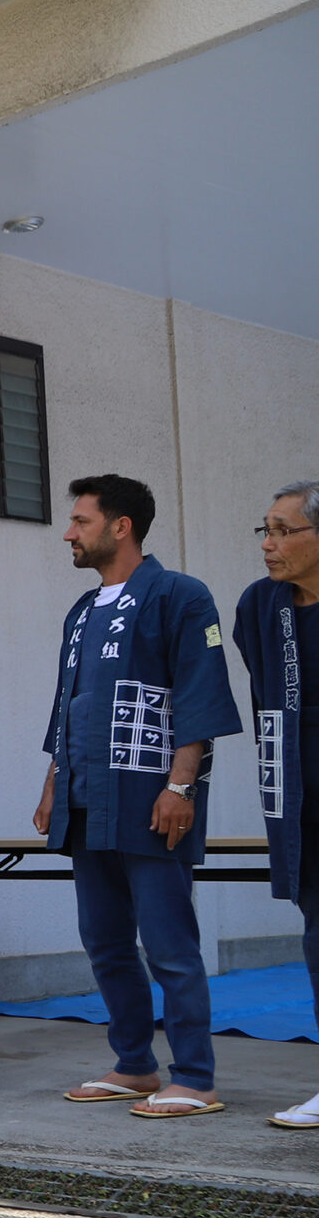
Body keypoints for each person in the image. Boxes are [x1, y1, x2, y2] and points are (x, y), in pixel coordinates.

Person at [39, 475, 240, 1117]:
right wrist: (51, 784)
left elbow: (199, 694)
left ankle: (196, 1077)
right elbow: (66, 707)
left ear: (120, 526)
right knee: (103, 939)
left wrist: (181, 784)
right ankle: (134, 1065)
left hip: (151, 795)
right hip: (83, 796)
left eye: (80, 521)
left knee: (169, 943)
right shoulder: (81, 610)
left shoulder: (179, 595)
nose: (69, 533)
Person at [236, 479, 319, 1130]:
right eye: (265, 529)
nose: (269, 544)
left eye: (284, 530)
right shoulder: (262, 607)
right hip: (302, 796)